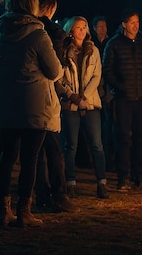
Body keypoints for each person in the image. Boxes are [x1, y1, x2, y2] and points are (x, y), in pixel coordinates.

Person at [0, 0, 63, 227]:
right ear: (33, 3)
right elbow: (54, 71)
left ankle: (3, 211)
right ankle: (24, 211)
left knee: (7, 157)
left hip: (5, 103)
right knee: (30, 158)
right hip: (33, 104)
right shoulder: (38, 34)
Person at [33, 0, 78, 213]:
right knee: (52, 150)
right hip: (44, 98)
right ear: (50, 9)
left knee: (37, 152)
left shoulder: (16, 29)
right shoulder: (47, 32)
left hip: (28, 99)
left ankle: (40, 194)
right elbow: (55, 70)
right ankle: (58, 196)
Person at [102, 9, 142, 190]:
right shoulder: (114, 44)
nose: (136, 25)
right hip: (123, 99)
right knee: (123, 138)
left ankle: (139, 176)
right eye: (132, 22)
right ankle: (123, 176)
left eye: (137, 22)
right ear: (124, 24)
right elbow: (107, 70)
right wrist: (120, 87)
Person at [57, 16, 108, 198]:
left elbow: (97, 75)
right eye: (78, 27)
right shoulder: (63, 51)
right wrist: (73, 96)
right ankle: (70, 183)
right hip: (71, 104)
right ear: (71, 30)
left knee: (97, 144)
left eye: (84, 27)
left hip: (91, 103)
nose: (82, 30)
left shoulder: (92, 49)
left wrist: (85, 97)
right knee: (70, 145)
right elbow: (60, 79)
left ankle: (101, 183)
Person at [92, 15, 115, 171]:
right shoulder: (91, 44)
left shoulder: (110, 43)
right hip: (94, 90)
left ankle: (109, 159)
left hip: (107, 90)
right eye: (100, 26)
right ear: (94, 28)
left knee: (109, 126)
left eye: (104, 26)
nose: (103, 29)